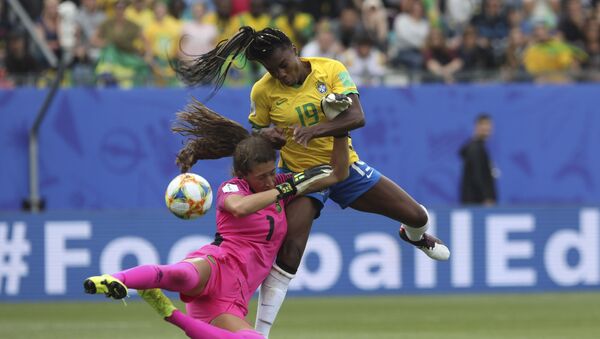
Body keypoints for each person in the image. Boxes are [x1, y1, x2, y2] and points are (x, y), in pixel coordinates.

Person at [173, 26, 450, 338]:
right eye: (272, 70)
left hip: (345, 166)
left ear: (294, 49)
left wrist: (317, 129)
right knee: (290, 251)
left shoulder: (330, 69)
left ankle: (413, 236)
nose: (281, 74)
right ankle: (260, 333)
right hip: (302, 178)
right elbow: (254, 141)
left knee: (418, 217)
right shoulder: (262, 92)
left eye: (283, 64)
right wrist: (267, 136)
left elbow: (357, 117)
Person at [83, 100, 349, 339]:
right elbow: (240, 208)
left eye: (271, 172)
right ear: (243, 174)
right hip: (219, 264)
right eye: (261, 176)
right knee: (181, 274)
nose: (269, 180)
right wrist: (282, 190)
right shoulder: (232, 188)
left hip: (232, 299)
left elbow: (337, 174)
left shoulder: (280, 185)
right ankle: (112, 279)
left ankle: (167, 311)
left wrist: (340, 129)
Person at [459, 114, 497, 206]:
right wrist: (486, 197)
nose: (487, 128)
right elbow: (478, 175)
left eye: (488, 125)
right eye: (483, 125)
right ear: (477, 127)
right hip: (477, 204)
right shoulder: (475, 149)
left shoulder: (478, 147)